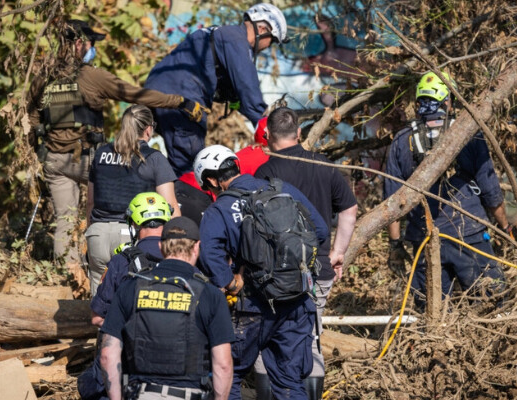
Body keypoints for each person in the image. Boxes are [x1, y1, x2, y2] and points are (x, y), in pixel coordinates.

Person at [27, 19, 202, 288]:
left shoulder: (44, 76)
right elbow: (136, 95)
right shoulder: (91, 76)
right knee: (122, 198)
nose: (92, 48)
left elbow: (33, 115)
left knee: (64, 220)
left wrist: (39, 147)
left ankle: (67, 278)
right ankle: (127, 259)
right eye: (90, 43)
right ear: (77, 44)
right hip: (87, 159)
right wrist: (178, 101)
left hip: (54, 160)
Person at [194, 145, 329, 400]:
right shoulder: (283, 190)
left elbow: (209, 253)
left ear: (212, 180)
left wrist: (230, 284)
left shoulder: (220, 208)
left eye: (207, 186)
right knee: (289, 382)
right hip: (297, 299)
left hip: (253, 305)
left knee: (229, 377)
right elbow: (320, 231)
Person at [254, 107, 358, 400]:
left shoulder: (266, 172)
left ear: (268, 136)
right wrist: (337, 252)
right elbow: (349, 209)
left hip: (276, 274)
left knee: (269, 340)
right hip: (317, 270)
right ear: (299, 133)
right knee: (311, 339)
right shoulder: (323, 165)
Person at [384, 71, 510, 308]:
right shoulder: (468, 134)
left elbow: (393, 202)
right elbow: (490, 189)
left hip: (425, 239)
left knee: (433, 315)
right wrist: (505, 227)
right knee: (491, 306)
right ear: (447, 101)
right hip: (468, 235)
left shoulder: (402, 140)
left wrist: (395, 244)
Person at [143, 4, 289, 176]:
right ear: (263, 28)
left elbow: (233, 88)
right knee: (189, 166)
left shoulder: (220, 33)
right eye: (272, 40)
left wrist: (236, 100)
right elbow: (248, 87)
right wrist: (268, 126)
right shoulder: (236, 40)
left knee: (143, 149)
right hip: (182, 99)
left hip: (154, 91)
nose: (268, 46)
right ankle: (181, 201)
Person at [100, 217, 235, 400]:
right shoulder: (210, 295)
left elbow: (108, 354)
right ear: (196, 247)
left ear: (161, 247)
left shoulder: (130, 288)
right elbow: (223, 365)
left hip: (140, 393)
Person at [78, 192, 171, 400]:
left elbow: (97, 317)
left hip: (131, 359)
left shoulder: (122, 261)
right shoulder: (183, 259)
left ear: (134, 224)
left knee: (89, 384)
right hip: (176, 362)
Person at [86, 105, 182, 295]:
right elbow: (171, 208)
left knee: (99, 301)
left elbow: (90, 202)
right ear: (148, 129)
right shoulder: (154, 159)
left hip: (97, 234)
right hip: (131, 235)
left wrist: (90, 230)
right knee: (132, 297)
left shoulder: (100, 154)